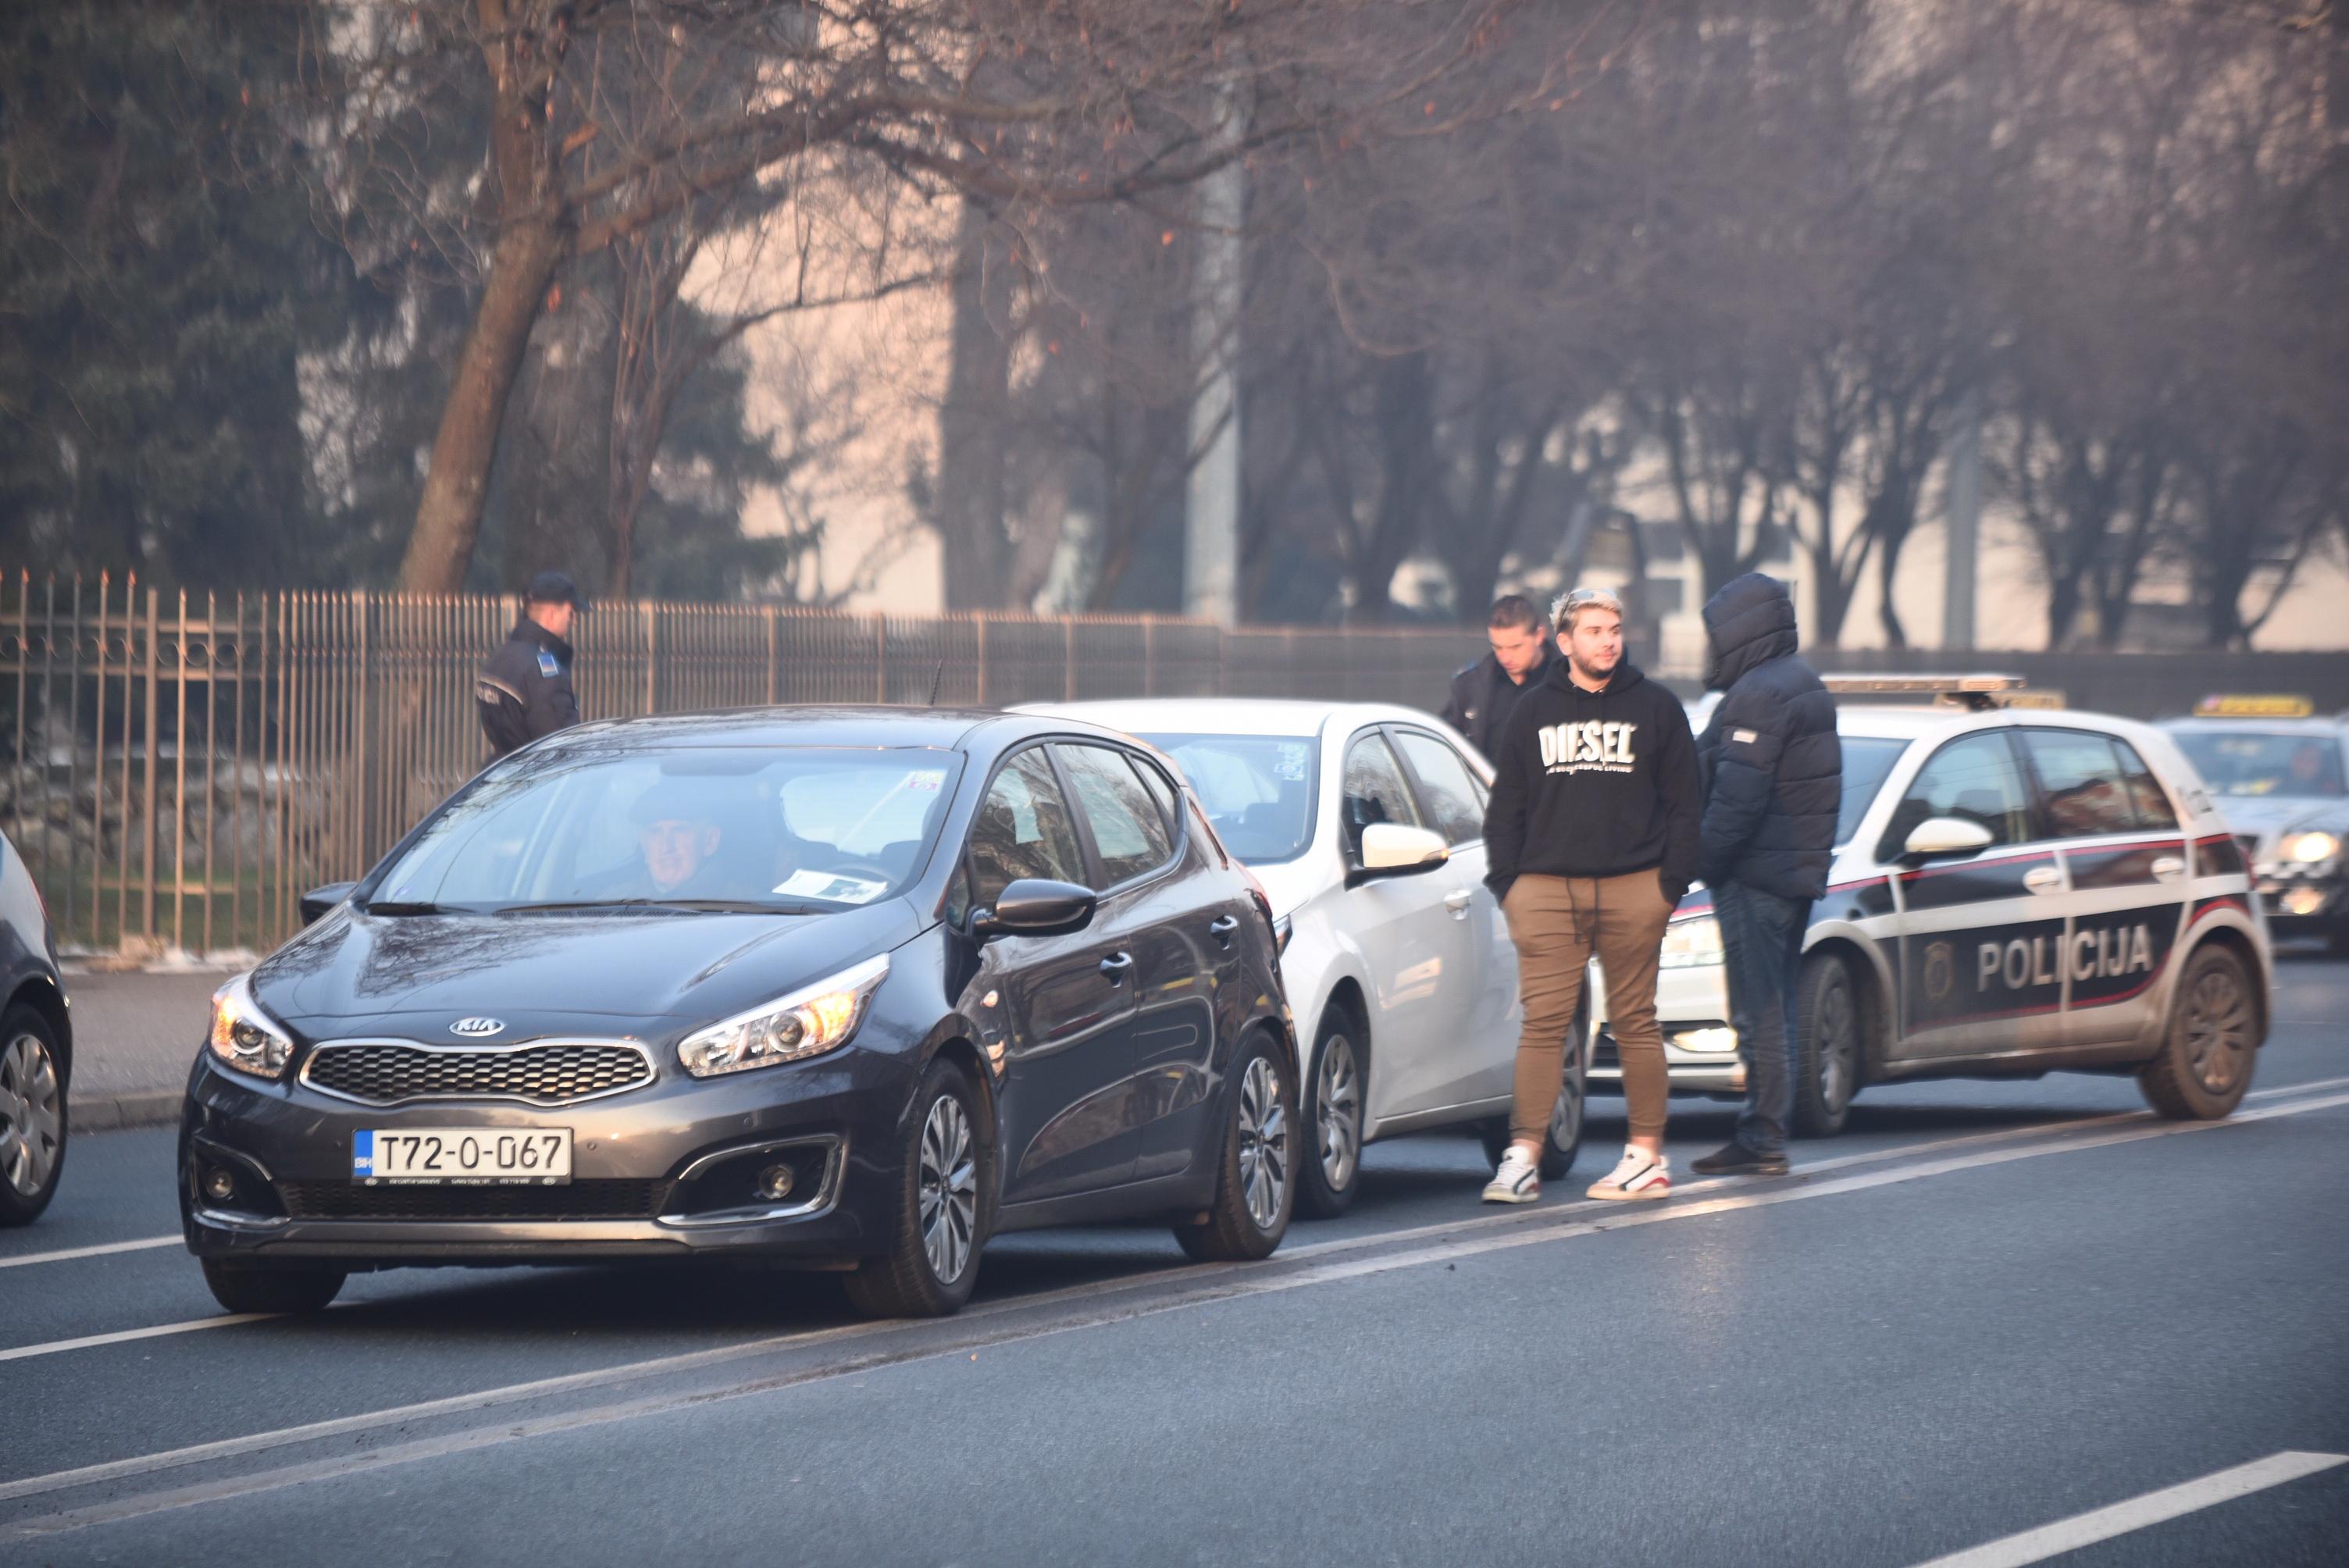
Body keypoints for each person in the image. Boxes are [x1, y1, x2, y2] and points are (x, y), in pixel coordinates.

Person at [1481, 586, 1701, 1204]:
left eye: (1615, 629)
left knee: (1635, 1021)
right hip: (1547, 889)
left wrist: (1667, 887)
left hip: (1635, 886)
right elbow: (1506, 810)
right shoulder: (1532, 711)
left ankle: (1646, 1157)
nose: (1609, 640)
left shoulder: (1656, 708)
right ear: (1567, 640)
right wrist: (1511, 888)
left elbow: (1686, 806)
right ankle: (1522, 1157)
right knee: (1543, 1025)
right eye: (1596, 630)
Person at [1688, 573, 1842, 1178]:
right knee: (1776, 1004)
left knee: (1759, 1008)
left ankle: (1762, 1135)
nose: (1709, 650)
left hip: (1758, 877)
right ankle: (1767, 1128)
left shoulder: (1759, 695)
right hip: (1791, 872)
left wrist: (1698, 864)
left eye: (1714, 636)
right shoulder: (1801, 684)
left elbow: (1737, 799)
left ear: (1740, 633)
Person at [477, 571, 585, 760]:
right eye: (571, 612)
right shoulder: (544, 675)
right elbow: (561, 746)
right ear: (551, 615)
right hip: (536, 782)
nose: (574, 620)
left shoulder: (500, 658)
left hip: (502, 772)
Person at [1441, 594, 1556, 760]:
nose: (1506, 657)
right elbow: (1447, 744)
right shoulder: (1470, 686)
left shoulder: (1572, 679)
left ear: (1539, 635)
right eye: (1498, 647)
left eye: (1515, 647)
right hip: (1488, 783)